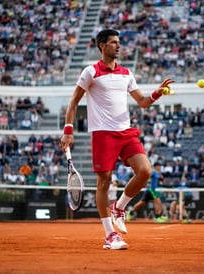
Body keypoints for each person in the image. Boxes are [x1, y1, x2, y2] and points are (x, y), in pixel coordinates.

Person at [60, 29, 174, 250]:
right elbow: (73, 102)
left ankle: (120, 207)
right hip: (103, 133)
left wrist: (157, 93)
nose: (118, 46)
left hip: (126, 131)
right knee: (104, 182)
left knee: (145, 171)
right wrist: (68, 130)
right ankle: (109, 235)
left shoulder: (126, 72)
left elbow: (141, 101)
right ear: (102, 46)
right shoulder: (90, 72)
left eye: (119, 42)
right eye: (113, 42)